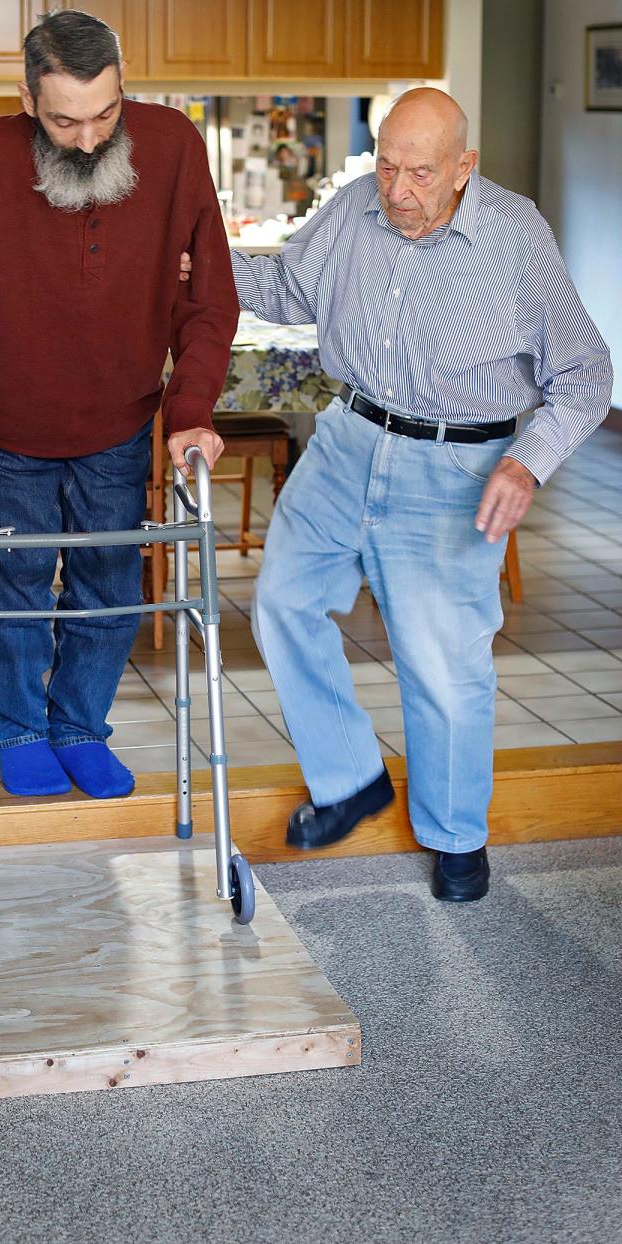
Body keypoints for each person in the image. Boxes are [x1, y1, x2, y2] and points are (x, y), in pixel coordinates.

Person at [224, 87, 612, 901]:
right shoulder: (357, 206)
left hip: (456, 467)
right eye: (387, 168)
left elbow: (584, 376)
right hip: (348, 439)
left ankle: (455, 833)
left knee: (441, 664)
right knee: (284, 601)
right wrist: (195, 252)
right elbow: (290, 293)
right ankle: (349, 779)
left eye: (420, 174)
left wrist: (527, 463)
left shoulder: (516, 238)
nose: (397, 192)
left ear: (465, 167)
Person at [0, 10, 238, 801]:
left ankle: (78, 726)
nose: (91, 138)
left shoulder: (172, 149)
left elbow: (209, 297)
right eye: (65, 120)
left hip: (119, 419)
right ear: (28, 102)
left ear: (124, 88)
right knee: (18, 579)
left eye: (106, 113)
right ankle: (21, 729)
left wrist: (192, 404)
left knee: (109, 581)